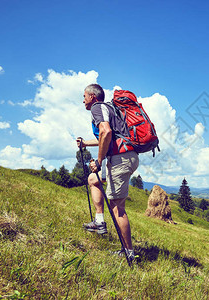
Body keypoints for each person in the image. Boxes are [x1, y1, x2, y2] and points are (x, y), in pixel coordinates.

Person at [76, 83, 139, 261]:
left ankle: (128, 253)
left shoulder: (97, 108)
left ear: (93, 97)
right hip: (126, 156)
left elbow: (106, 131)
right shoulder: (109, 109)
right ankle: (99, 222)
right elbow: (107, 137)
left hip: (120, 158)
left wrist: (99, 161)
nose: (83, 101)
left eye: (85, 96)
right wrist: (86, 144)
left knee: (118, 207)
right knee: (93, 180)